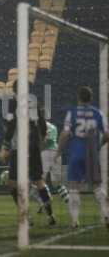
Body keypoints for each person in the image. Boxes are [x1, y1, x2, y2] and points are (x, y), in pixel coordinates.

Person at [0, 81, 56, 226]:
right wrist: (41, 139)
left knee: (12, 183)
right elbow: (42, 124)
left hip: (19, 147)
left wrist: (5, 146)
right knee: (39, 181)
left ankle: (27, 216)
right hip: (34, 146)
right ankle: (50, 215)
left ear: (14, 91)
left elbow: (11, 125)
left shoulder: (13, 102)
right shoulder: (34, 101)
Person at [56, 86, 109, 229]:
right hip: (92, 153)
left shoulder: (72, 113)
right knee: (98, 187)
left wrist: (59, 151)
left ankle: (74, 221)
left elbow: (65, 134)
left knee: (74, 188)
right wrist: (98, 145)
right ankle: (106, 215)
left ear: (78, 98)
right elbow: (107, 134)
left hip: (76, 153)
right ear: (91, 98)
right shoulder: (98, 113)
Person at [41, 120, 70, 205]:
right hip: (56, 152)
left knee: (40, 180)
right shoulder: (54, 127)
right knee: (57, 183)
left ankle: (46, 200)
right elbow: (52, 140)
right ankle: (69, 201)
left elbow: (46, 141)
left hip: (46, 152)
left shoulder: (40, 125)